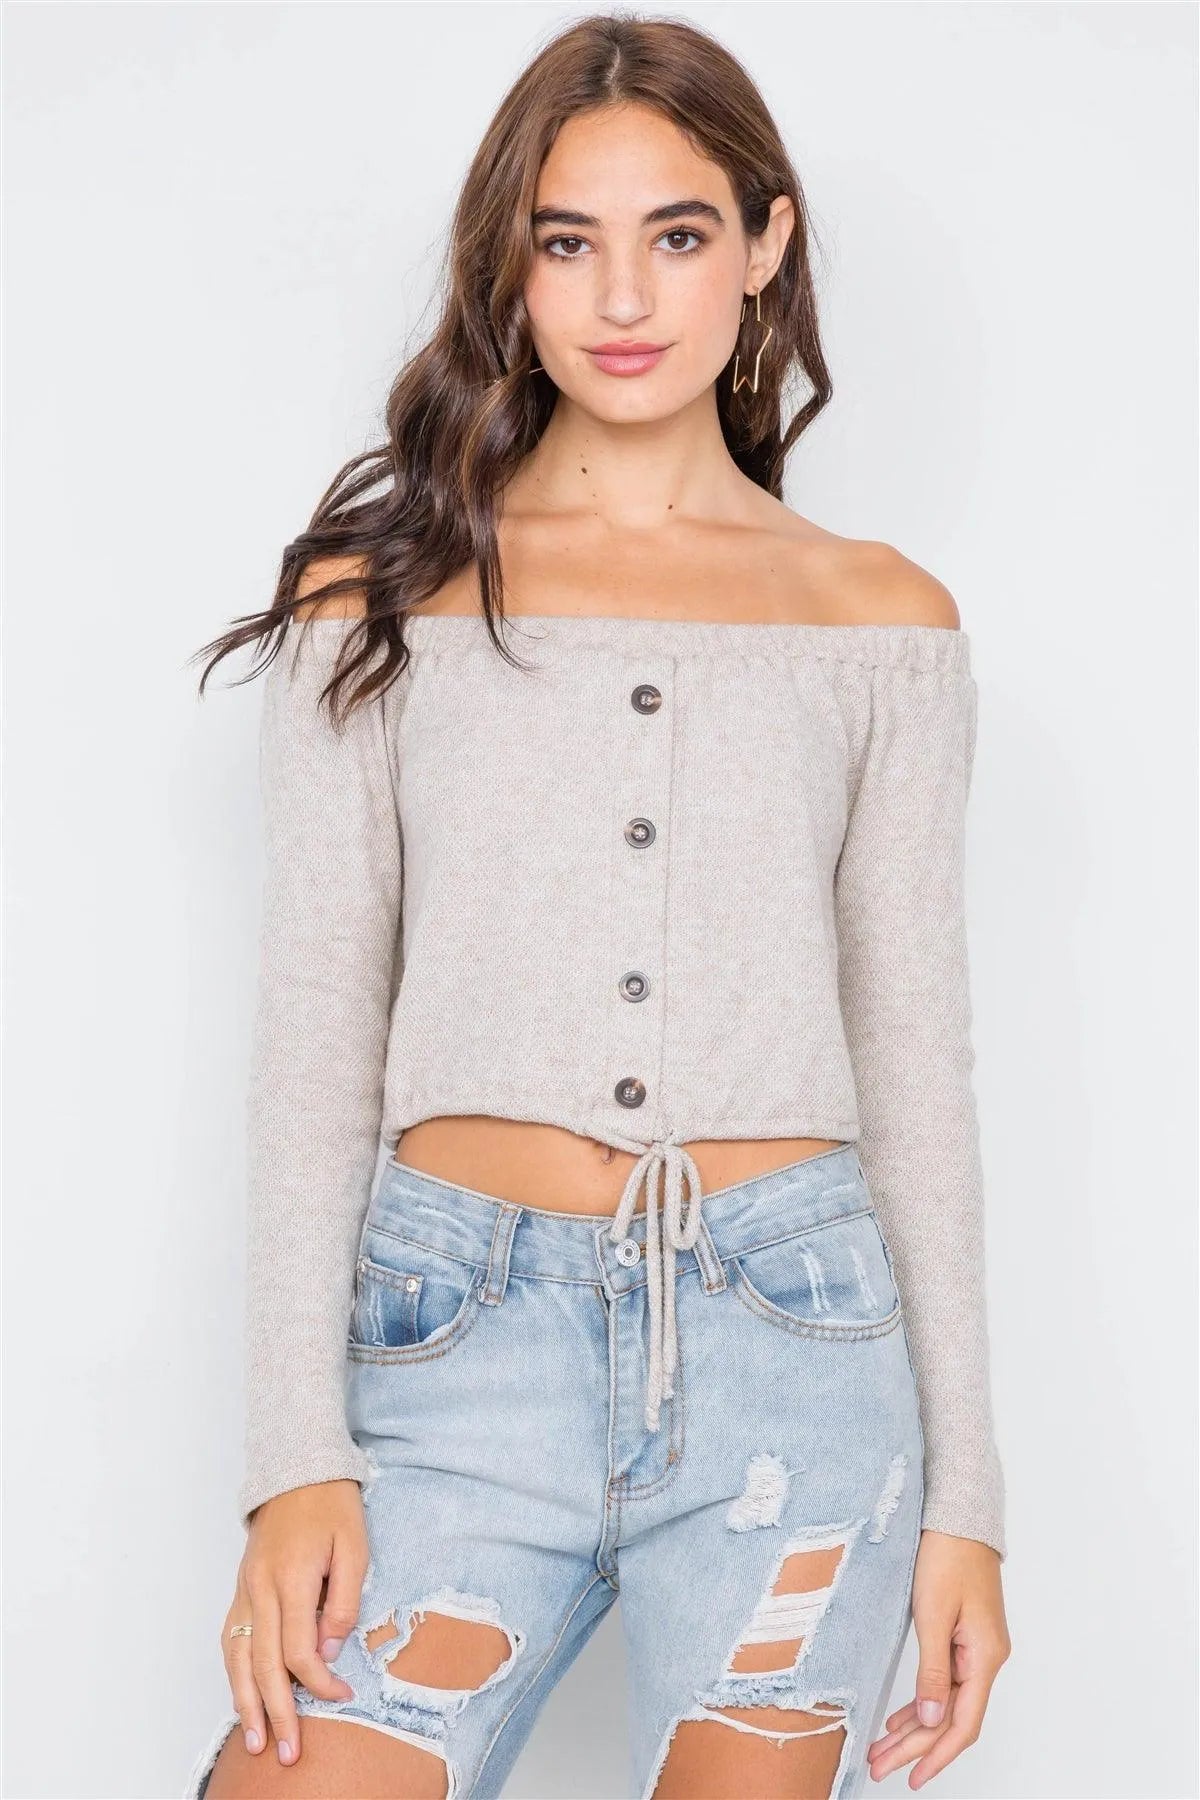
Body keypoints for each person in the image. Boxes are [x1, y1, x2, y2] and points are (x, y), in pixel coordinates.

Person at [184, 15, 1010, 1799]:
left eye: (679, 234)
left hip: (800, 1363)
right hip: (453, 1348)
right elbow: (315, 1042)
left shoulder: (879, 622)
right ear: (513, 266)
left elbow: (915, 1069)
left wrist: (969, 1505)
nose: (622, 296)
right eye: (568, 242)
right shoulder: (380, 604)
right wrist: (291, 1459)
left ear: (766, 245)